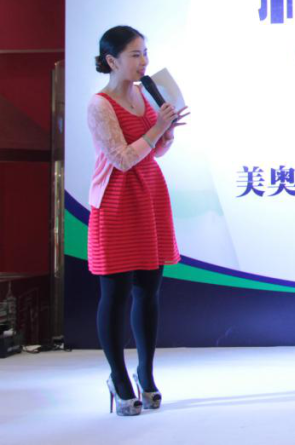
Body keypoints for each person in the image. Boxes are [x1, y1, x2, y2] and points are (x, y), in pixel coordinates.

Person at [87, 26, 188, 416]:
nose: (143, 62)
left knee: (149, 291)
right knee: (115, 295)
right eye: (135, 54)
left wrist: (167, 132)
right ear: (112, 61)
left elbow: (152, 152)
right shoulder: (100, 105)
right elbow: (122, 158)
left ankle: (145, 373)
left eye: (145, 53)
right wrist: (157, 128)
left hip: (149, 197)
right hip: (116, 201)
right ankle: (119, 378)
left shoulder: (146, 94)